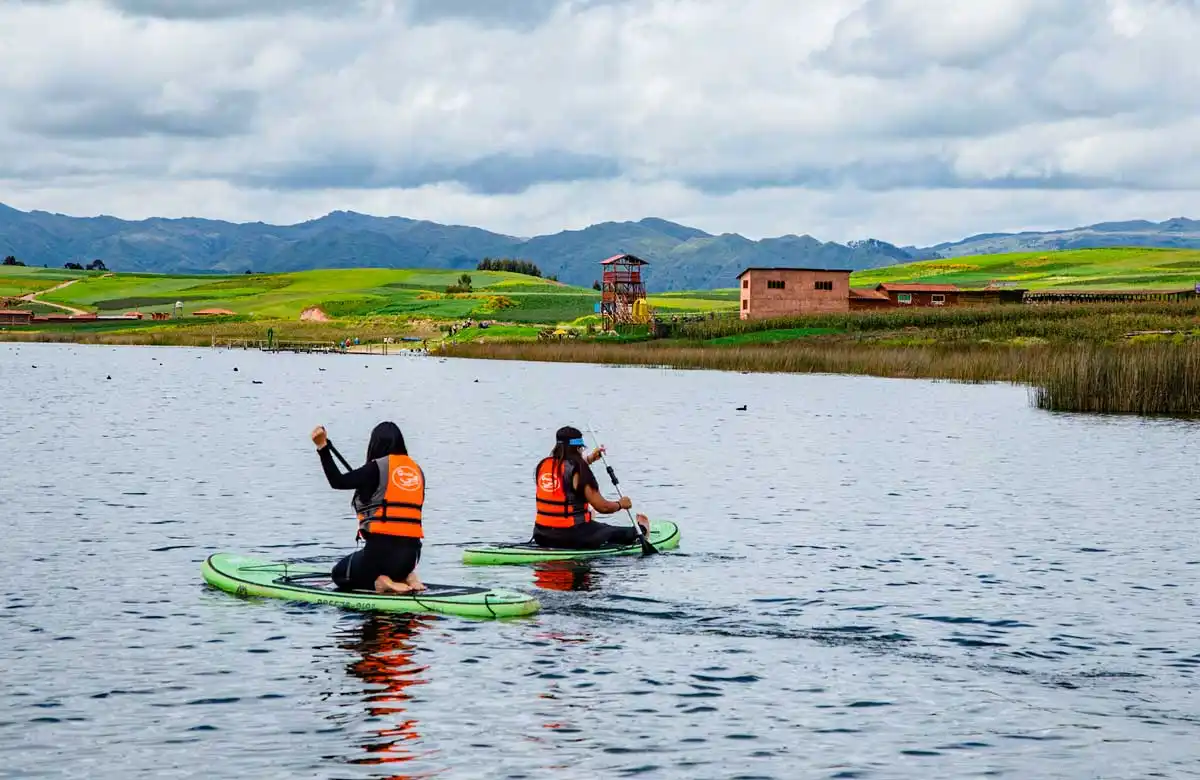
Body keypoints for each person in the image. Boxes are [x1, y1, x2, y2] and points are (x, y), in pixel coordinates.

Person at [312, 421, 426, 594]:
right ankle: (407, 576)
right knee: (394, 557)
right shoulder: (416, 471)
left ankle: (382, 582)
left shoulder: (375, 468)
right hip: (412, 557)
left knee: (339, 574)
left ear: (375, 444)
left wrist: (322, 447)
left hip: (380, 557)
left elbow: (338, 481)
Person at [533, 425, 650, 549]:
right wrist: (621, 504)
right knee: (609, 530)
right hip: (570, 537)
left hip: (542, 535)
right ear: (578, 448)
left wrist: (590, 459)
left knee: (594, 523)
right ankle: (642, 530)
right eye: (582, 449)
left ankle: (582, 519)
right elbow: (603, 507)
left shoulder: (544, 465)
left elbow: (567, 473)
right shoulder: (580, 471)